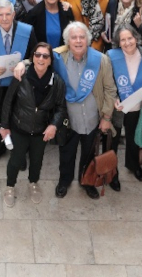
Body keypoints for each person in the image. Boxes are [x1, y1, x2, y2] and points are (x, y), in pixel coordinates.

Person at [48, 22, 118, 198]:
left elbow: (110, 90)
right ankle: (64, 181)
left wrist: (107, 117)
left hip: (93, 119)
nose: (78, 41)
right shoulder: (58, 57)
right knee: (66, 154)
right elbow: (36, 59)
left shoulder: (101, 60)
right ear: (67, 41)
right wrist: (21, 65)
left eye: (82, 37)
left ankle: (86, 181)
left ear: (88, 40)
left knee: (89, 153)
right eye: (74, 37)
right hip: (68, 120)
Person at [0, 41, 65, 207]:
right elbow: (8, 101)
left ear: (50, 60)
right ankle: (10, 186)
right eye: (37, 55)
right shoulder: (21, 76)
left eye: (45, 56)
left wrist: (54, 125)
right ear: (33, 58)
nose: (41, 58)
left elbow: (60, 107)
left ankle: (33, 183)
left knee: (37, 160)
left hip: (40, 130)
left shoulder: (57, 82)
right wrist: (4, 125)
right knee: (15, 160)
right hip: (19, 127)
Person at [0, 0, 37, 167]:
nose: (4, 18)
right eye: (1, 15)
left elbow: (36, 55)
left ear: (14, 14)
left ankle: (19, 152)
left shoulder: (27, 30)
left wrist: (24, 63)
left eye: (8, 14)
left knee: (18, 117)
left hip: (20, 84)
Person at [108, 24, 142, 181]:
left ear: (136, 38)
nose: (127, 42)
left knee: (132, 137)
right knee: (112, 140)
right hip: (119, 105)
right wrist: (114, 97)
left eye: (130, 38)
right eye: (123, 40)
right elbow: (107, 81)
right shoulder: (111, 56)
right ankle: (111, 171)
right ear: (118, 42)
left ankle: (133, 165)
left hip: (138, 104)